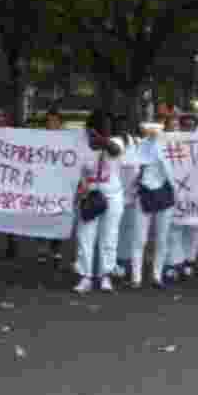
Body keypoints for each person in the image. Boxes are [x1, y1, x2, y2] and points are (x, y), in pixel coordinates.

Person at [73, 110, 125, 293]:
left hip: (112, 197)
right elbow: (76, 171)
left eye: (109, 126)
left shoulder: (116, 141)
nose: (108, 129)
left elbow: (115, 150)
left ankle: (105, 276)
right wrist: (80, 186)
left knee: (109, 237)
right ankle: (85, 277)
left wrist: (102, 140)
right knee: (85, 237)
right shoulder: (82, 146)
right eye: (104, 125)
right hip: (89, 197)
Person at [131, 122, 175, 288]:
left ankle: (157, 275)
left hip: (164, 192)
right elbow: (134, 167)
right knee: (139, 238)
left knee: (162, 238)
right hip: (145, 192)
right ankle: (136, 277)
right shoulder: (140, 146)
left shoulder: (170, 146)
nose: (153, 133)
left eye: (156, 131)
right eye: (150, 130)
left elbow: (176, 170)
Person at [166, 111, 198, 280]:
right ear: (180, 127)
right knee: (175, 227)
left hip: (196, 191)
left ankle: (189, 261)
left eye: (191, 126)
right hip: (177, 191)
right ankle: (174, 263)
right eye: (185, 126)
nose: (188, 129)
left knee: (193, 227)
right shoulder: (172, 143)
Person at [37, 104, 66, 266]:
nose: (51, 124)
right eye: (49, 121)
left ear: (60, 123)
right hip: (43, 184)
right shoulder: (40, 138)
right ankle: (42, 248)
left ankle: (56, 249)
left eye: (55, 121)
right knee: (42, 217)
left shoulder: (67, 140)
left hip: (60, 186)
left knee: (58, 217)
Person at [113, 113, 140, 280]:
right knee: (113, 229)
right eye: (119, 126)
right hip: (115, 194)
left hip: (133, 194)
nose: (122, 129)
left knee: (130, 229)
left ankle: (125, 261)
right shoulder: (112, 144)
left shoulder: (136, 142)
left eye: (125, 126)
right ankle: (113, 261)